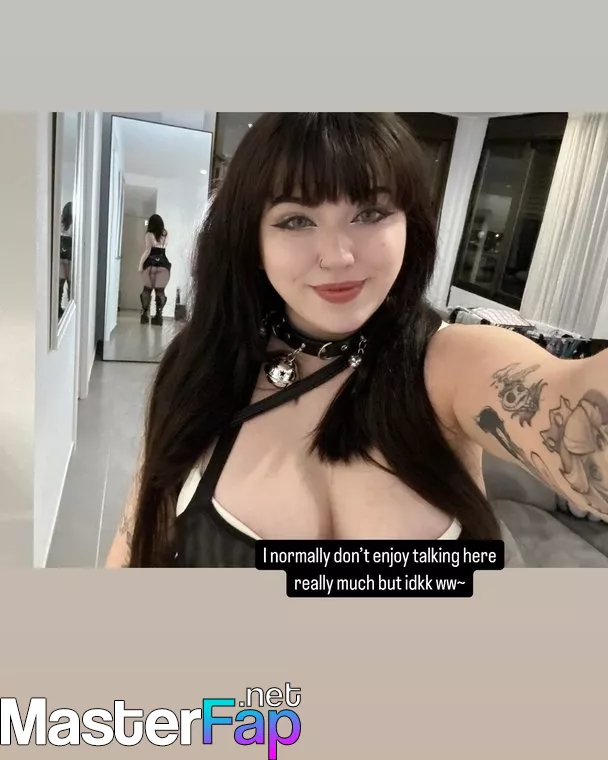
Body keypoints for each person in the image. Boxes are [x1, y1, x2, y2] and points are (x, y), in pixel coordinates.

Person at [106, 113, 608, 569]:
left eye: (369, 213)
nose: (338, 256)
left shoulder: (450, 361)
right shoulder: (202, 368)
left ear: (410, 223)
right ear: (252, 241)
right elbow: (133, 549)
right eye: (296, 220)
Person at [138, 214, 170, 326]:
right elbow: (164, 247)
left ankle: (145, 315)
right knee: (160, 291)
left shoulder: (149, 234)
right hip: (163, 265)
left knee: (147, 290)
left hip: (150, 265)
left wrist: (140, 265)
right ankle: (159, 317)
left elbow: (148, 251)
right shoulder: (165, 234)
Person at [59, 201, 73, 319]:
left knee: (61, 283)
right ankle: (69, 309)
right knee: (70, 284)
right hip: (70, 257)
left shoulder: (61, 222)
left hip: (60, 256)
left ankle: (58, 309)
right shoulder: (75, 224)